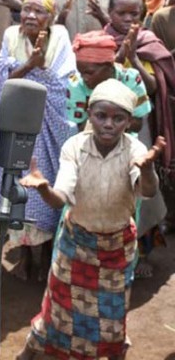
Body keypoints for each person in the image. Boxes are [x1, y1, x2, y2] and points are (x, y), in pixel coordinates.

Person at [16, 78, 164, 360]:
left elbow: (149, 190)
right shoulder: (75, 147)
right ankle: (28, 352)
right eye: (101, 116)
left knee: (112, 319)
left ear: (129, 122)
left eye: (118, 118)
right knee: (58, 311)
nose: (109, 124)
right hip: (76, 243)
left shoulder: (134, 151)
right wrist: (44, 188)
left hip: (116, 248)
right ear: (89, 115)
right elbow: (61, 196)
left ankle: (114, 354)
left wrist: (147, 169)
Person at [0, 0, 76, 281]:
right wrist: (29, 66)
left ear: (50, 18)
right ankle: (25, 255)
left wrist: (39, 69)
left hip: (49, 124)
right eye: (26, 10)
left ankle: (49, 255)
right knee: (18, 184)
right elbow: (3, 77)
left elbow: (65, 80)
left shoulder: (61, 37)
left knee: (48, 180)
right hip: (18, 120)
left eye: (38, 12)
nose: (30, 16)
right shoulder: (11, 35)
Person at [69, 30, 166, 279]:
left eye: (89, 72)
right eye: (81, 71)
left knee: (136, 205)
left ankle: (134, 259)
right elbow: (79, 124)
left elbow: (137, 120)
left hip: (128, 148)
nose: (84, 77)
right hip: (91, 150)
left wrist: (107, 123)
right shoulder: (76, 84)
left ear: (108, 65)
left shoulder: (130, 78)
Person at [105, 0, 175, 235]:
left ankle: (142, 243)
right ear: (109, 13)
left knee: (141, 175)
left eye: (134, 14)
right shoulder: (101, 42)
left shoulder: (148, 41)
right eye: (121, 13)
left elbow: (155, 86)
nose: (128, 19)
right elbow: (94, 78)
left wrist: (133, 57)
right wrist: (120, 53)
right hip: (105, 123)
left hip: (141, 123)